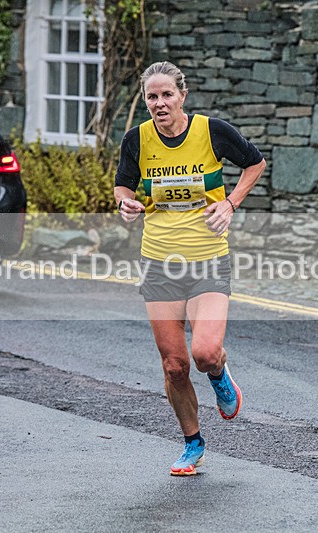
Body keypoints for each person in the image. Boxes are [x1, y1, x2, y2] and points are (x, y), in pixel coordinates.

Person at [114, 61, 266, 475]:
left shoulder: (211, 131)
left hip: (207, 258)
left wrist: (230, 203)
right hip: (158, 261)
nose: (159, 103)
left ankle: (219, 374)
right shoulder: (137, 139)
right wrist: (125, 202)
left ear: (182, 95)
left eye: (167, 94)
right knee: (174, 366)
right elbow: (124, 184)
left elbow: (255, 163)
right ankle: (192, 443)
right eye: (152, 97)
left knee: (204, 353)